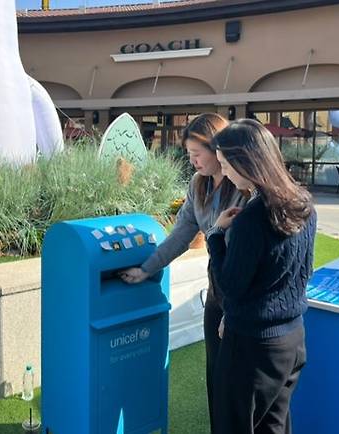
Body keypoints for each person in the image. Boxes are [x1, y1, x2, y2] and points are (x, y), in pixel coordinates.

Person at [119, 113, 247, 432]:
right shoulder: (197, 185)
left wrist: (233, 313)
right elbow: (180, 235)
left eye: (197, 154)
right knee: (215, 374)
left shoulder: (244, 187)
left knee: (240, 382)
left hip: (243, 298)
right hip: (216, 292)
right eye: (188, 154)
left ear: (218, 149)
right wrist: (146, 269)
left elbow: (249, 258)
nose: (192, 162)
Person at [205, 119, 316, 434]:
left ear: (246, 162)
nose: (224, 171)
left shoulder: (251, 220)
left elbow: (230, 286)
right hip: (292, 341)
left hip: (252, 347)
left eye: (226, 164)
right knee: (274, 427)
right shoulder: (304, 204)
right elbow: (301, 270)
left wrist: (216, 235)